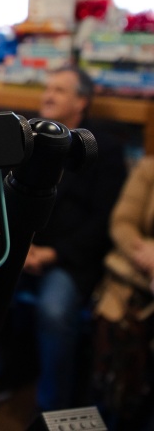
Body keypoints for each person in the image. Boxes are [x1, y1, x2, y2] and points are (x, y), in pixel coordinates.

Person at [0, 64, 127, 416]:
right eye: (48, 88)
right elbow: (0, 194)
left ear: (81, 102)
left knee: (54, 311)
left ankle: (52, 407)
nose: (48, 95)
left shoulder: (102, 150)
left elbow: (103, 219)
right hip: (18, 245)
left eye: (59, 90)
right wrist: (15, 242)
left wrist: (52, 254)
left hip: (67, 257)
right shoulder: (27, 137)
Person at [92, 156, 154, 430]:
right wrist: (149, 260)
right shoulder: (149, 168)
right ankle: (112, 410)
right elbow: (122, 222)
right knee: (115, 327)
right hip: (134, 275)